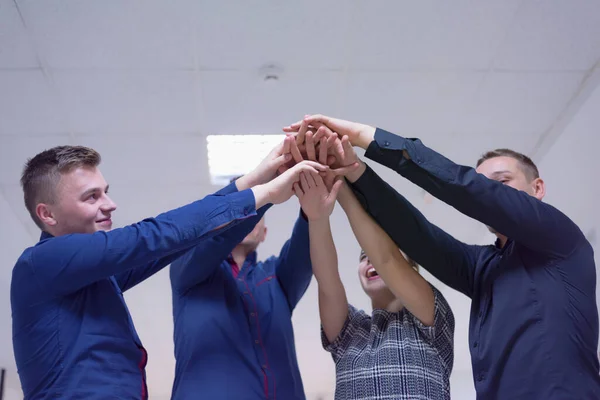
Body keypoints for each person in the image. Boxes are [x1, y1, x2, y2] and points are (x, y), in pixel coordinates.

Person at [284, 116, 600, 399]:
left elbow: (469, 191)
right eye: (484, 182)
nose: (490, 191)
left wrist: (364, 135)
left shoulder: (560, 241)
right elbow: (416, 235)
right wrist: (353, 172)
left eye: (501, 183)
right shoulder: (481, 268)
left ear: (538, 187)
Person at [11, 143, 325, 400]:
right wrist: (265, 194)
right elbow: (157, 235)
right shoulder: (41, 264)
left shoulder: (95, 277)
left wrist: (255, 178)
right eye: (92, 196)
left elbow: (171, 244)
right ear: (47, 214)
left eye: (105, 191)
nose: (110, 204)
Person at [169, 136, 355, 400]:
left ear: (264, 233)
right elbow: (214, 239)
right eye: (247, 210)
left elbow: (306, 251)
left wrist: (312, 200)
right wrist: (266, 190)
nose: (249, 220)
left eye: (256, 217)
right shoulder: (188, 269)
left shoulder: (275, 278)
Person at [295, 157, 454, 400]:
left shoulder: (432, 322)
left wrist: (342, 187)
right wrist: (318, 218)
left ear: (410, 266)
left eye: (374, 256)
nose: (370, 260)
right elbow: (328, 283)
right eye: (363, 257)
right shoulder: (350, 331)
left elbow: (387, 260)